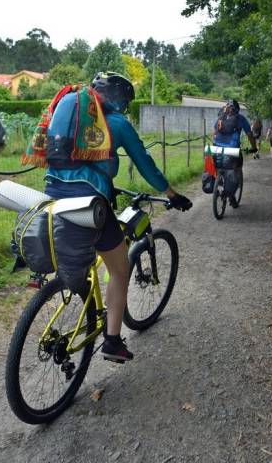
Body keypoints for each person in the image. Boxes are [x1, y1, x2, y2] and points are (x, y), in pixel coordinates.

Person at [41, 72, 192, 362]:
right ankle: (112, 341)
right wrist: (171, 193)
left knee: (81, 251)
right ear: (120, 99)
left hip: (54, 193)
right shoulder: (119, 123)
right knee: (120, 270)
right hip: (90, 204)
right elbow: (145, 164)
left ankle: (83, 293)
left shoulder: (69, 108)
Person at [212, 99, 258, 207]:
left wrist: (216, 144)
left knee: (218, 166)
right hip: (232, 150)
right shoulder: (240, 119)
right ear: (237, 109)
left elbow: (214, 133)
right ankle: (231, 197)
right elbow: (249, 134)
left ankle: (218, 181)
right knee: (237, 169)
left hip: (215, 148)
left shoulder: (220, 117)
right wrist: (254, 148)